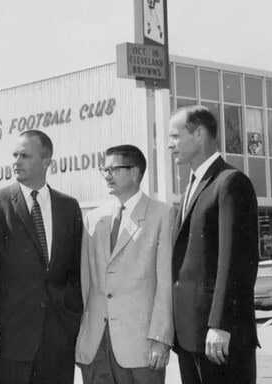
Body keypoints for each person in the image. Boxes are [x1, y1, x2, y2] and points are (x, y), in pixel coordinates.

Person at [0, 129, 83, 384]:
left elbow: (75, 272)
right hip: (8, 339)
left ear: (46, 161)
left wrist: (72, 321)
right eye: (15, 155)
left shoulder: (69, 207)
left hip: (57, 338)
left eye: (25, 156)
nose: (16, 162)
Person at [168, 106, 260, 384]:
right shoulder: (192, 186)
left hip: (218, 337)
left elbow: (237, 262)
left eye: (175, 136)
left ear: (198, 135)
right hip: (191, 337)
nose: (169, 144)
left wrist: (220, 324)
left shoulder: (230, 182)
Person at [75, 145, 175, 384]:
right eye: (105, 169)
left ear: (135, 172)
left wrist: (160, 338)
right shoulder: (94, 218)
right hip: (96, 344)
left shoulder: (162, 214)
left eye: (114, 169)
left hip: (141, 346)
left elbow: (165, 283)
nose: (107, 175)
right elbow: (86, 282)